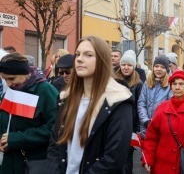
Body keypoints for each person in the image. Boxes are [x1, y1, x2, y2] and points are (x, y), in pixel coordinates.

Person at [47, 36, 133, 174]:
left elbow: (114, 159)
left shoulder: (118, 100)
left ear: (102, 60)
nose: (80, 59)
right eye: (78, 54)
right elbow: (55, 144)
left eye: (88, 55)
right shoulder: (66, 97)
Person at [0, 52, 59, 174]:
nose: (9, 84)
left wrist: (17, 138)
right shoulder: (10, 92)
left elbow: (55, 128)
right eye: (5, 79)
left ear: (25, 73)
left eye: (11, 78)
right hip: (10, 163)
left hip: (34, 163)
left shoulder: (45, 91)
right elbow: (3, 121)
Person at [143, 71, 184, 174]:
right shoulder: (162, 107)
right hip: (161, 167)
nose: (177, 87)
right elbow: (151, 136)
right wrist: (148, 159)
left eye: (181, 84)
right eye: (174, 84)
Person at [115, 50, 143, 174]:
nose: (126, 67)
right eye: (123, 65)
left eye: (129, 65)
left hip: (130, 125)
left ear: (133, 66)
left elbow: (139, 105)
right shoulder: (113, 80)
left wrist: (137, 128)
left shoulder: (138, 83)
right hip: (115, 124)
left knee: (127, 156)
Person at [138, 55, 172, 139]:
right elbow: (141, 103)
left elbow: (170, 106)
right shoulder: (147, 83)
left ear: (166, 69)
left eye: (162, 67)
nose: (159, 69)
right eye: (156, 66)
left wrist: (155, 122)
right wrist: (145, 120)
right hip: (145, 128)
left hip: (161, 128)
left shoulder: (170, 85)